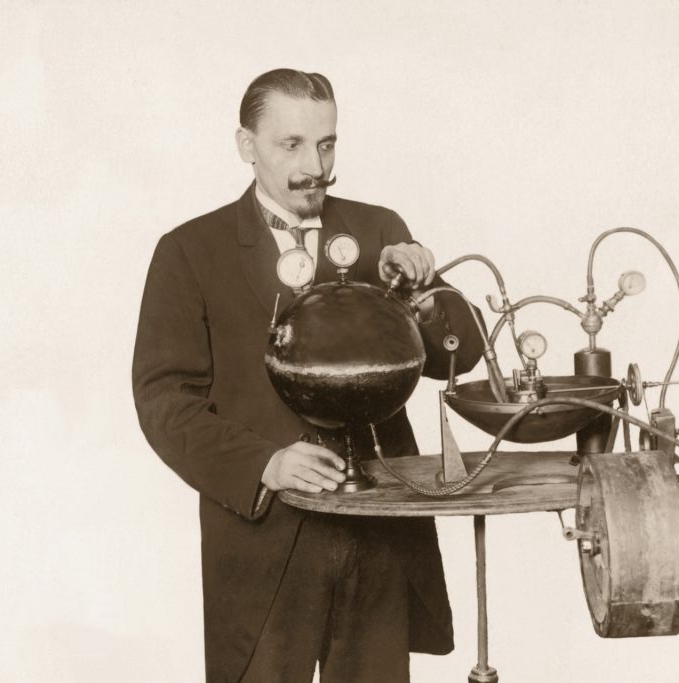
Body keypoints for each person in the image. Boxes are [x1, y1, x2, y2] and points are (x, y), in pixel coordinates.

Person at [132, 68, 483, 683]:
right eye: (289, 144)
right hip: (263, 535)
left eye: (326, 144)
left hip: (378, 525)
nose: (313, 166)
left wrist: (428, 296)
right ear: (247, 146)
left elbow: (462, 355)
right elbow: (165, 400)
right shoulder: (189, 251)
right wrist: (263, 464)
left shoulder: (378, 231)